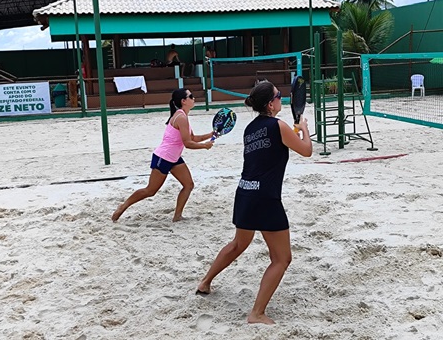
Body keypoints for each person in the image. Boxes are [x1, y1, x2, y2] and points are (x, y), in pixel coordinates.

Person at [196, 81, 312, 325]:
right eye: (279, 96)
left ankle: (205, 282)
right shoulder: (279, 126)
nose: (282, 99)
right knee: (282, 259)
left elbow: (273, 147)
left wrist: (293, 132)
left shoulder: (251, 129)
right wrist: (304, 129)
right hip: (266, 199)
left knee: (238, 244)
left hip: (245, 193)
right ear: (271, 104)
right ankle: (256, 313)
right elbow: (306, 151)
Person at [111, 88, 214, 222]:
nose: (194, 98)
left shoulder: (182, 115)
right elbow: (188, 143)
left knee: (188, 185)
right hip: (163, 158)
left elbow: (193, 138)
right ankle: (123, 206)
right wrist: (204, 146)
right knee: (150, 191)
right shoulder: (181, 117)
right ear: (184, 101)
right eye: (191, 96)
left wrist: (210, 135)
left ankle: (177, 216)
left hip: (174, 158)